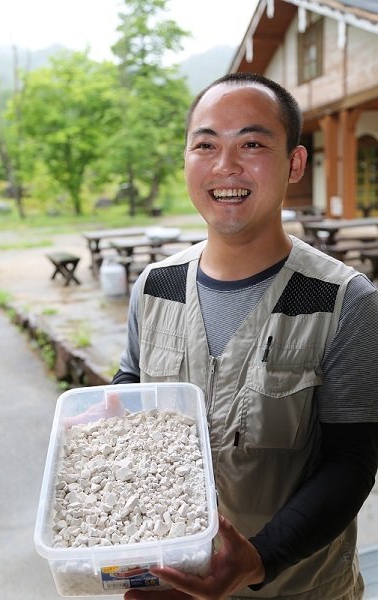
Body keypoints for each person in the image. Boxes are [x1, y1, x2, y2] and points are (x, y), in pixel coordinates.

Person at [111, 72, 378, 600]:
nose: (225, 166)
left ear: (295, 163)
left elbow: (352, 461)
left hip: (300, 587)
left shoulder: (345, 300)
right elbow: (134, 387)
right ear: (186, 160)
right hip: (169, 582)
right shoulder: (155, 286)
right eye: (205, 145)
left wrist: (258, 559)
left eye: (252, 144)